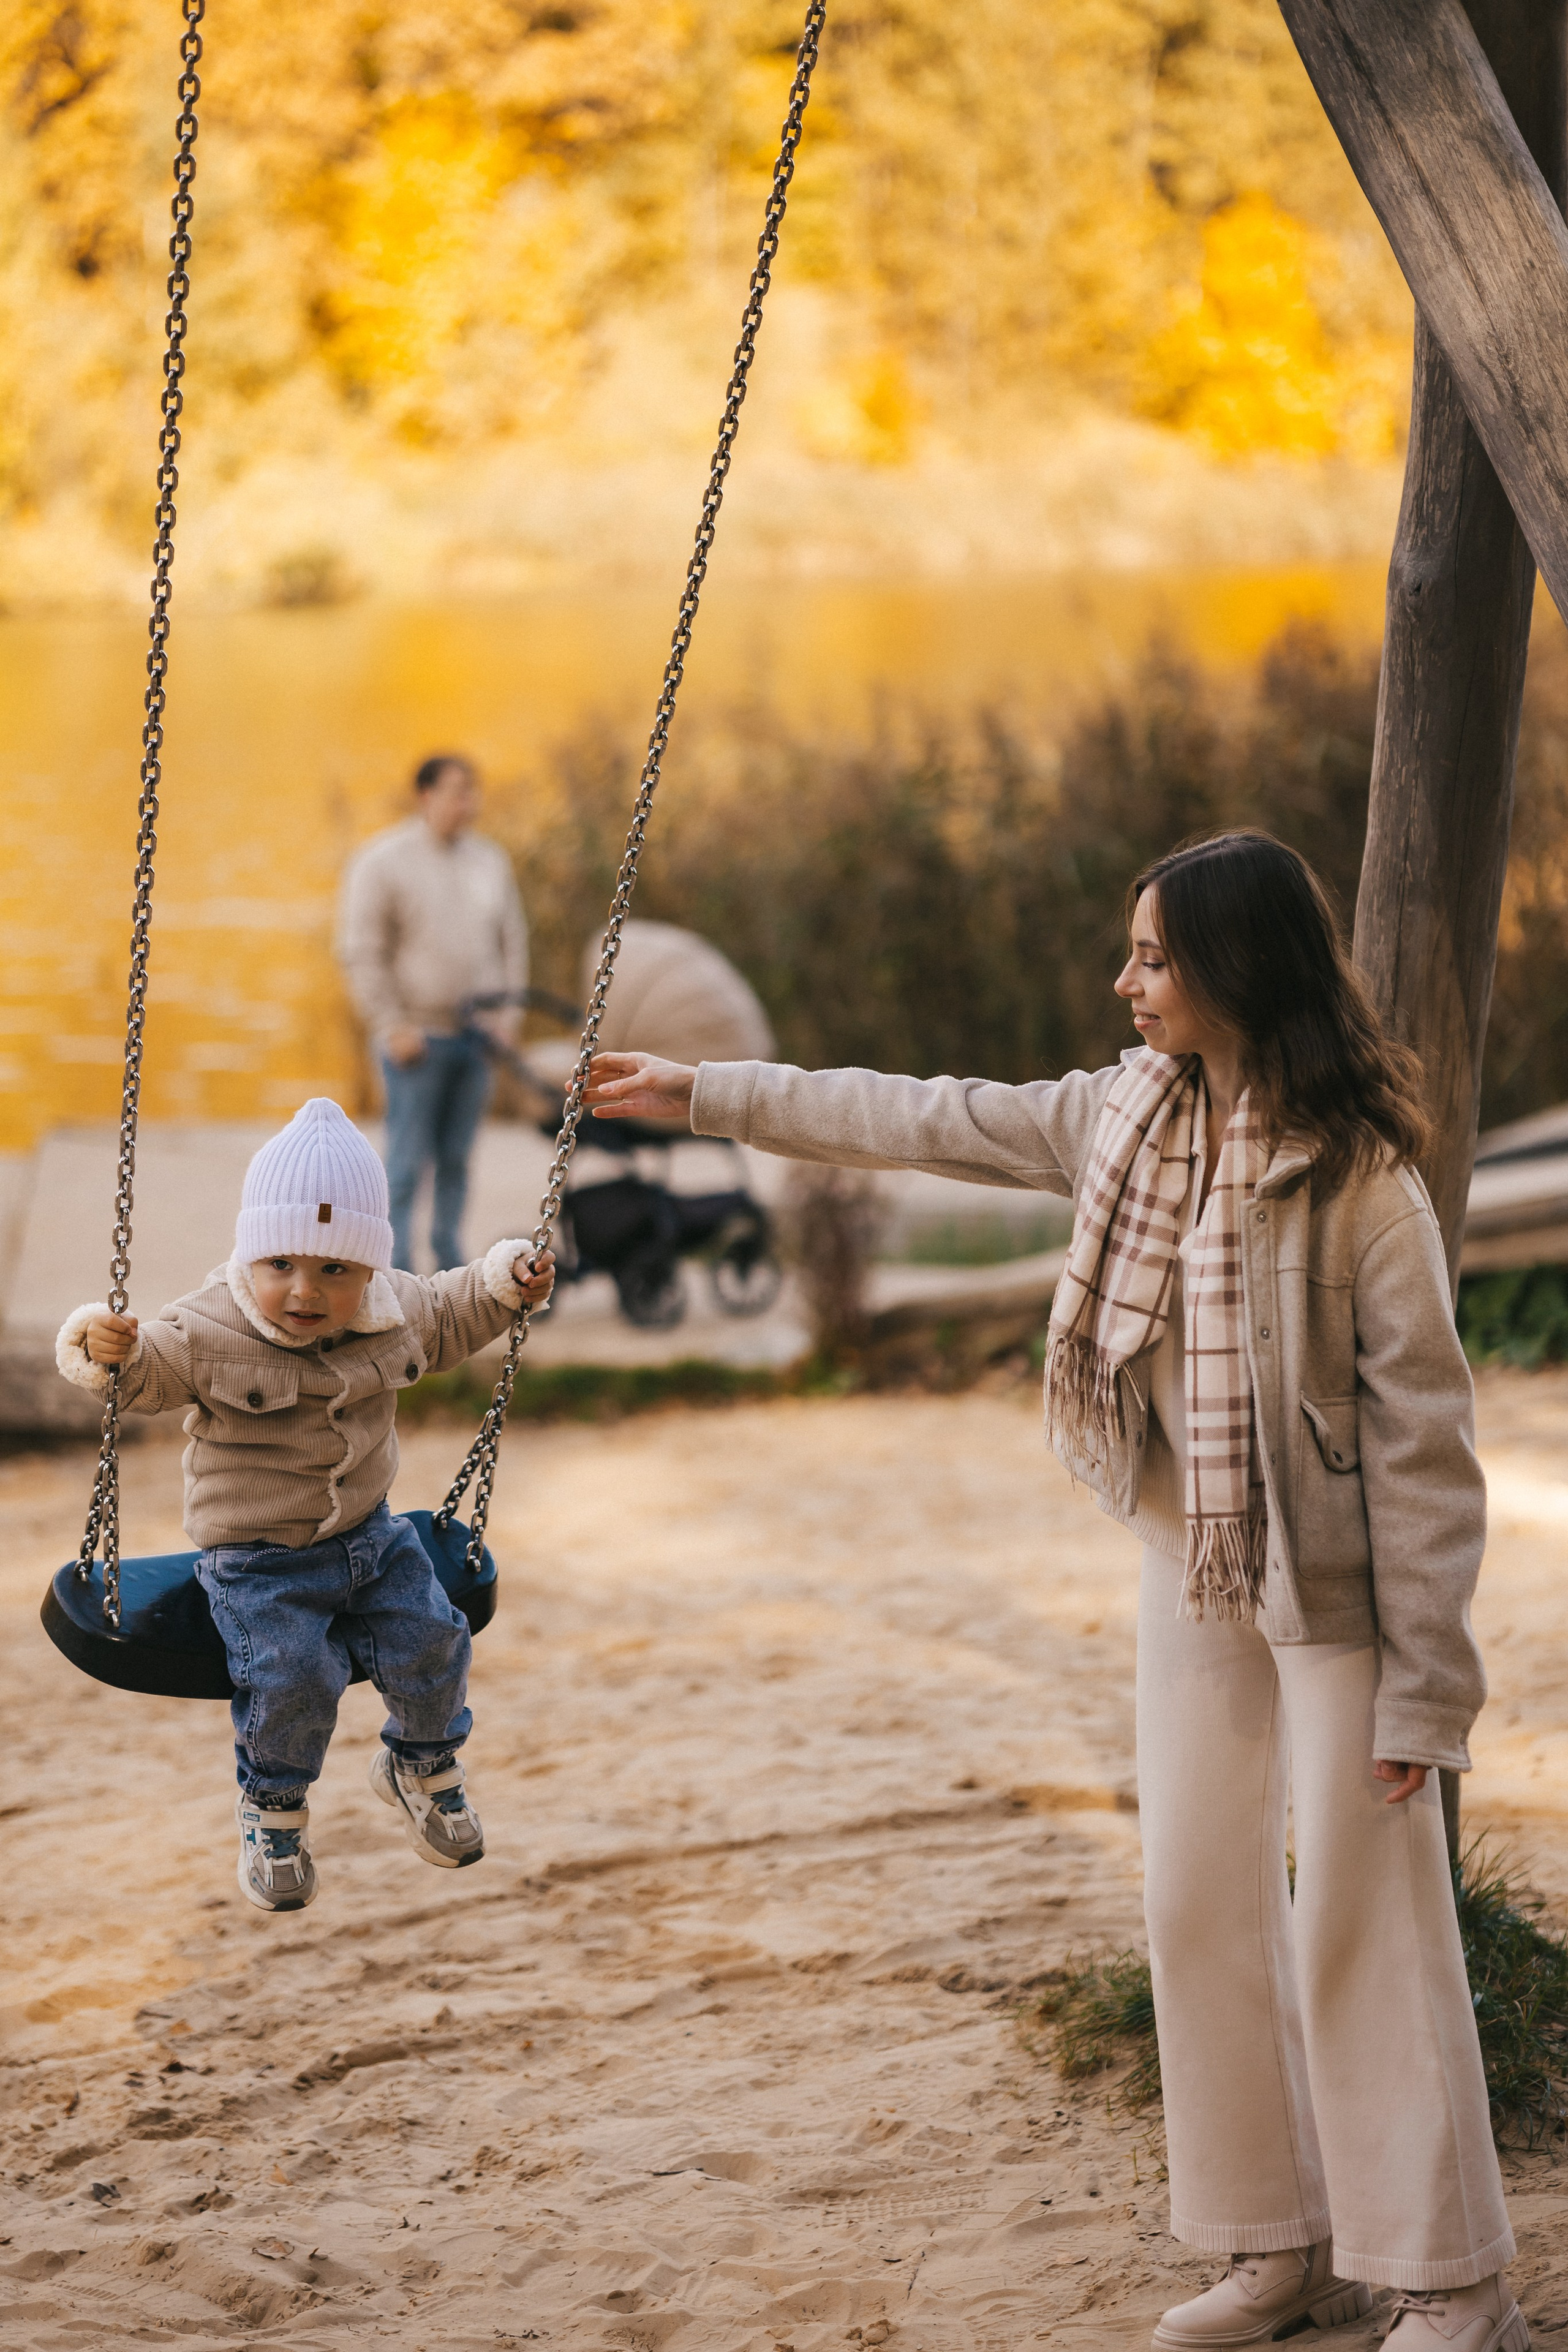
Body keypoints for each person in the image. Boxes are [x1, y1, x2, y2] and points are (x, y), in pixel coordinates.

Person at [584, 829, 1528, 2352]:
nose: (1123, 981)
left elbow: (1427, 1461)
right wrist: (699, 1092)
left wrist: (1428, 1685)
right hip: (1193, 1554)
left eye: (1152, 955)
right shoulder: (1118, 1117)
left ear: (1235, 968)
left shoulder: (1362, 1187)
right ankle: (1270, 2243)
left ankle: (1449, 2279)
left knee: (1361, 1914)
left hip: (1343, 1598)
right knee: (1187, 1896)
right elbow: (915, 1115)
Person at [56, 1097, 554, 1915]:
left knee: (434, 1639)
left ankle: (421, 1764)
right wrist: (106, 1348)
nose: (305, 1291)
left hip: (372, 1536)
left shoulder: (395, 1310)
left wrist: (509, 1282)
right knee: (293, 1673)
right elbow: (145, 1372)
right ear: (251, 1254)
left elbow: (458, 1308)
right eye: (281, 1263)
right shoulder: (207, 1328)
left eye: (336, 1270)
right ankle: (274, 1809)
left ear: (368, 1270)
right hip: (258, 1561)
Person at [337, 752, 529, 1271]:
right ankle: (394, 1270)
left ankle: (448, 1265)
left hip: (477, 1039)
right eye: (457, 790)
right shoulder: (382, 861)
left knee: (456, 1161)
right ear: (427, 796)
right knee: (403, 1165)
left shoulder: (490, 861)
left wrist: (509, 1017)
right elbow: (362, 951)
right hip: (416, 1040)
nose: (468, 802)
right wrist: (391, 1025)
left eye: (473, 790)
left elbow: (511, 940)